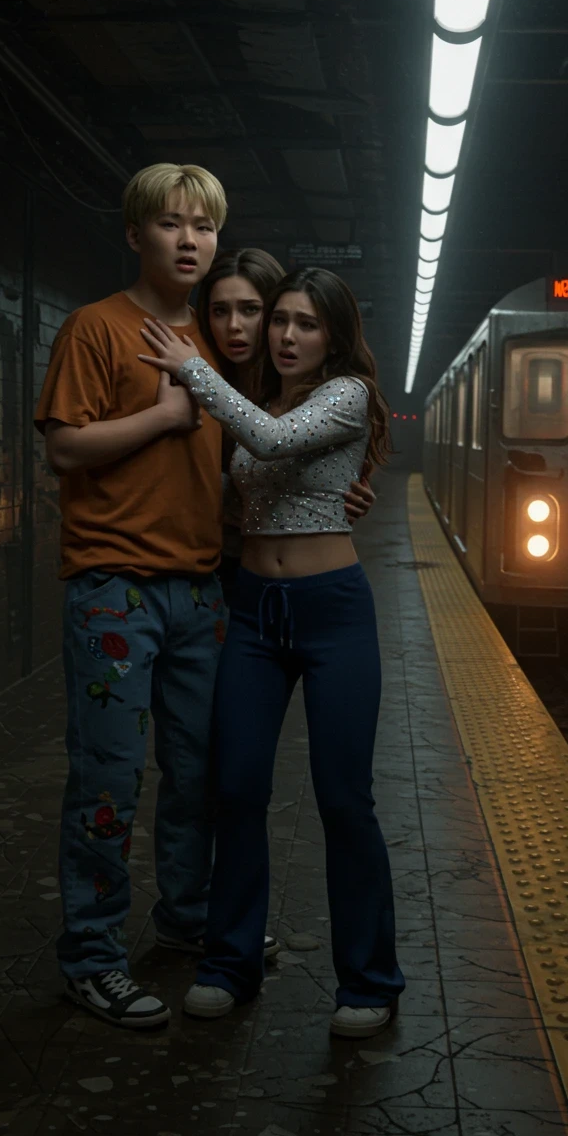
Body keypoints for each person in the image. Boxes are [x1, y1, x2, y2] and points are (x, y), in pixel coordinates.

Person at [138, 267, 406, 1039]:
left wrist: (189, 369)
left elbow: (275, 442)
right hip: (254, 614)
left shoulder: (346, 395)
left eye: (306, 324)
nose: (286, 336)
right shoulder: (266, 397)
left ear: (335, 337)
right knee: (238, 789)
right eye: (280, 320)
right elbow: (243, 488)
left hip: (333, 615)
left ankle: (369, 981)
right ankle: (228, 964)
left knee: (343, 799)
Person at [196, 248, 376, 601]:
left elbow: (286, 448)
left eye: (251, 310)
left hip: (266, 572)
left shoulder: (313, 393)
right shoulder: (195, 377)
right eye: (219, 311)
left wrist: (339, 496)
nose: (234, 326)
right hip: (199, 563)